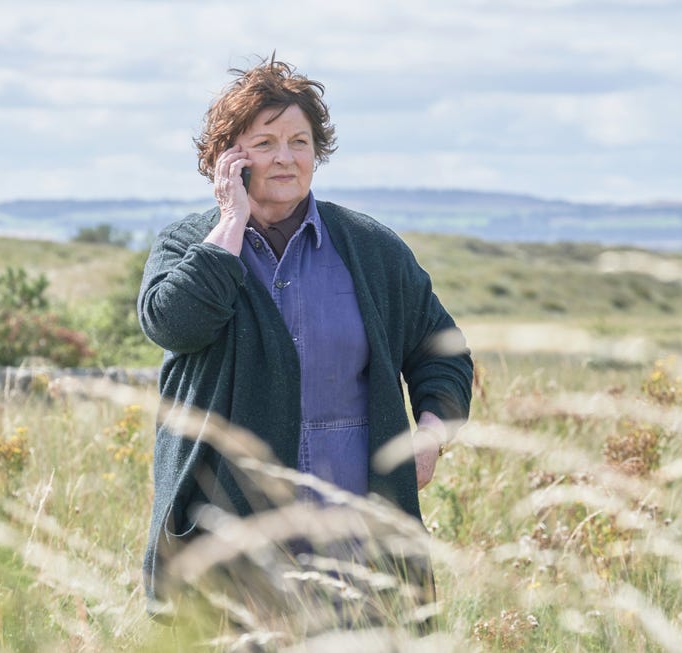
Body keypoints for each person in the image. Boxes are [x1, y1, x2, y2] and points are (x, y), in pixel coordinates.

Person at [137, 56, 473, 625]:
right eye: (265, 142)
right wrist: (229, 225)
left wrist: (433, 434)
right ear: (228, 158)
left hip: (359, 530)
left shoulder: (371, 249)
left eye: (300, 140)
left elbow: (442, 349)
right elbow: (173, 324)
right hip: (231, 532)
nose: (286, 157)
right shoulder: (190, 246)